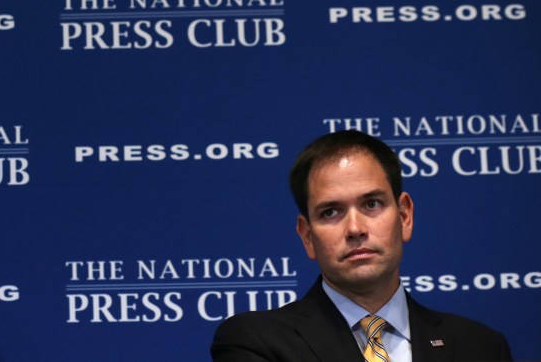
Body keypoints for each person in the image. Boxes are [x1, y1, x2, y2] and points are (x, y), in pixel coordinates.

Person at [210, 130, 512, 362]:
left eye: (371, 204)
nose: (355, 229)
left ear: (404, 216)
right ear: (307, 235)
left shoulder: (481, 347)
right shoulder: (256, 343)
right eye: (330, 212)